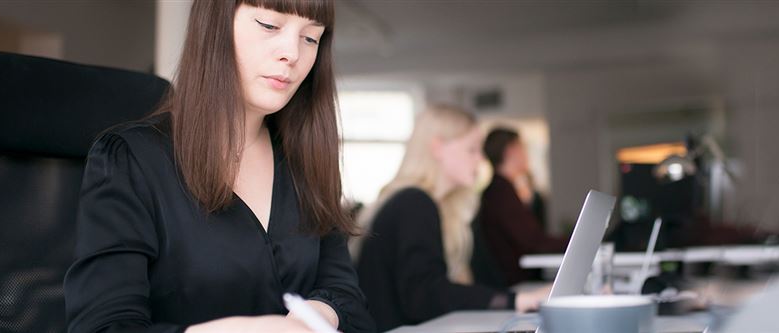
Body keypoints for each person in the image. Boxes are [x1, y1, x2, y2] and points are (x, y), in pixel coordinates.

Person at [63, 1, 373, 332]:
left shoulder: (305, 162)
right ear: (215, 26)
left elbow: (344, 291)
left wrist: (316, 315)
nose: (292, 54)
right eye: (269, 26)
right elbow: (103, 326)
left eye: (311, 38)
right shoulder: (132, 159)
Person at [352, 105, 550, 332]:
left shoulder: (435, 206)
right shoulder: (413, 203)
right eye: (471, 150)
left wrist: (517, 297)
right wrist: (517, 299)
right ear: (438, 148)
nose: (480, 160)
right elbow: (426, 294)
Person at [477, 127, 568, 286]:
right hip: (517, 285)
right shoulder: (501, 194)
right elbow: (533, 242)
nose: (526, 154)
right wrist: (573, 243)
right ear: (510, 151)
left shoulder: (500, 191)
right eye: (523, 148)